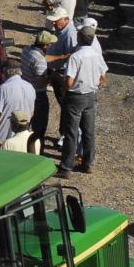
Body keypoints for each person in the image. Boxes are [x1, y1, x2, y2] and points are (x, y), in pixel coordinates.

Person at [57, 25, 107, 178]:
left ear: (79, 38)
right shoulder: (97, 55)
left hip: (75, 96)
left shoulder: (75, 56)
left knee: (71, 132)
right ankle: (87, 163)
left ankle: (66, 167)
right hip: (90, 95)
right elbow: (103, 78)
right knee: (89, 131)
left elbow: (69, 81)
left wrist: (64, 92)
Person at [0, 64, 36, 148]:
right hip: (22, 138)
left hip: (2, 139)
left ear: (5, 74)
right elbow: (32, 113)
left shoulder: (4, 88)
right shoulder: (30, 87)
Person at [22, 30, 56, 143]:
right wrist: (51, 77)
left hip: (26, 89)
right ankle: (37, 147)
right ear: (45, 45)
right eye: (50, 44)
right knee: (39, 126)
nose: (51, 45)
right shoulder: (40, 60)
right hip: (38, 93)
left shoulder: (26, 50)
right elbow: (41, 81)